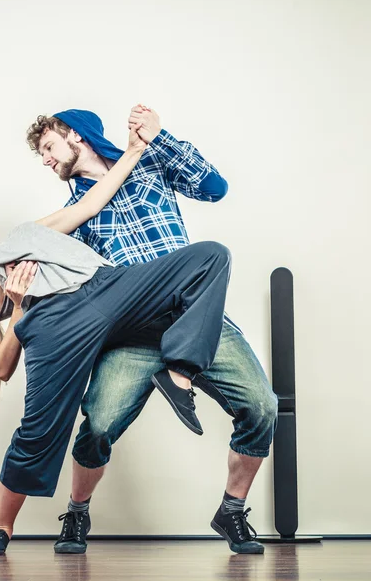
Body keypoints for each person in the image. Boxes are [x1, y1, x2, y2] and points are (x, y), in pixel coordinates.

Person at [0, 116, 232, 556]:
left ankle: (180, 375)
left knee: (210, 257)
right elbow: (0, 366)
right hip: (52, 323)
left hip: (104, 287)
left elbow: (86, 206)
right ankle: (1, 528)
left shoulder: (14, 240)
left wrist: (136, 152)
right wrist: (21, 307)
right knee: (40, 429)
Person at [25, 106, 278, 555]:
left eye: (48, 147)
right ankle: (77, 512)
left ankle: (233, 511)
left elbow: (215, 188)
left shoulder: (148, 164)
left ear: (75, 136)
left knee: (262, 408)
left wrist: (160, 137)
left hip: (195, 315)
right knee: (98, 425)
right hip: (134, 332)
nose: (45, 160)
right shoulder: (76, 213)